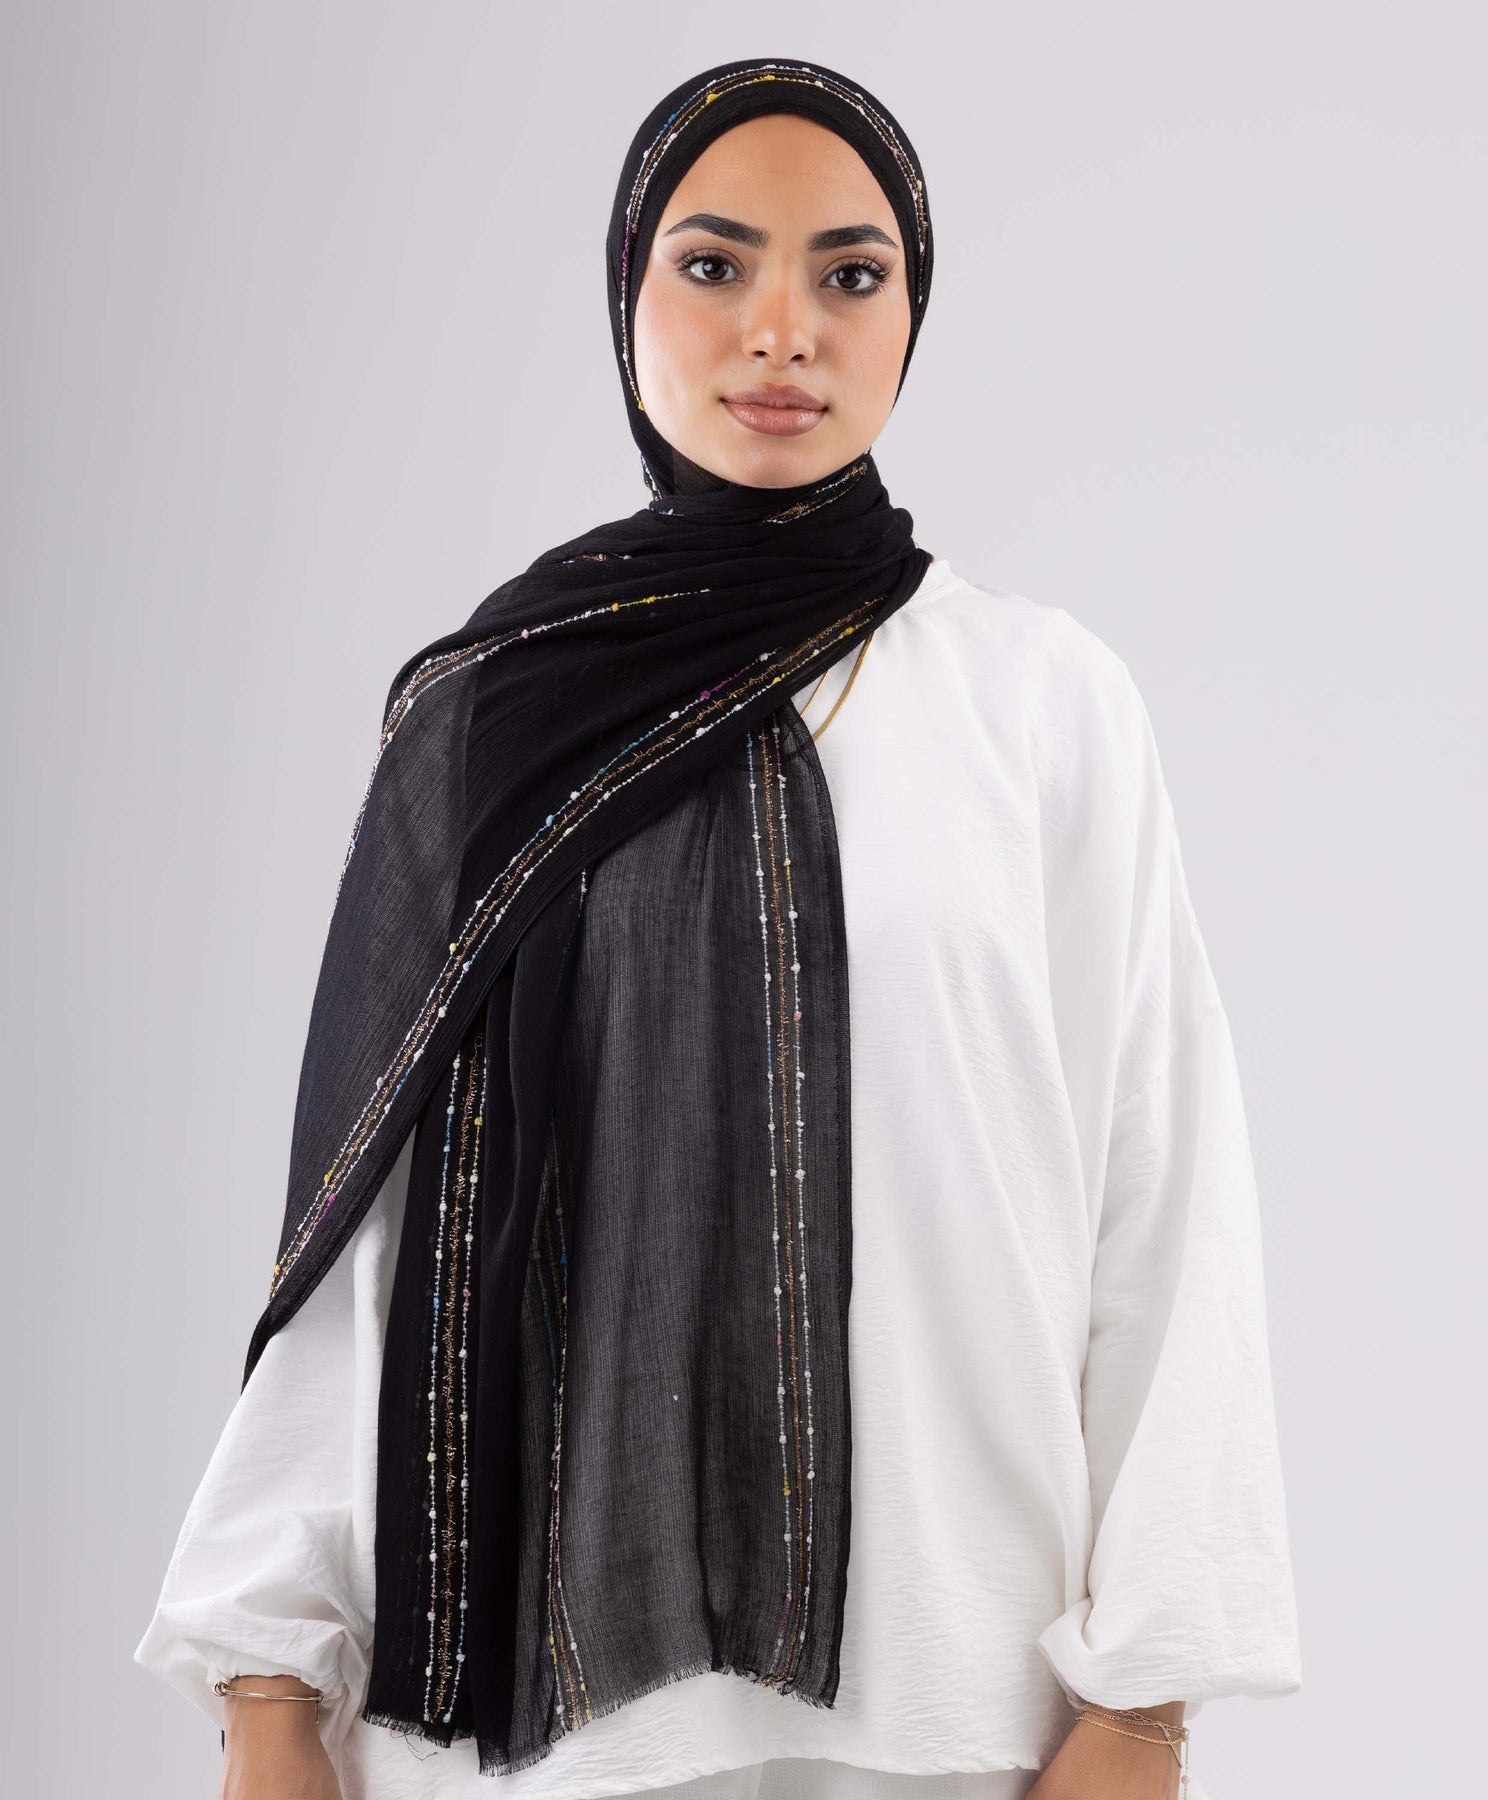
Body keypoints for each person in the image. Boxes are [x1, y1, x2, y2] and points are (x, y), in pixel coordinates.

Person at [134, 55, 1302, 1800]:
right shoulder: (490, 715)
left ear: (910, 315)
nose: (783, 331)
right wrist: (266, 1679)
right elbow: (358, 1228)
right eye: (713, 263)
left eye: (850, 273)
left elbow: (1166, 1187)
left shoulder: (1042, 703)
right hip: (565, 1721)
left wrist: (1149, 1696)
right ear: (629, 297)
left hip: (967, 1700)